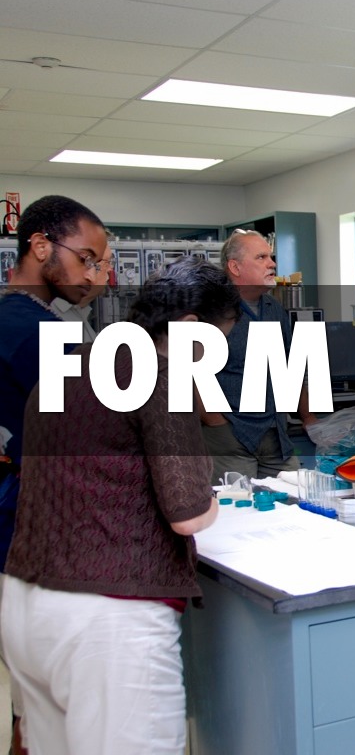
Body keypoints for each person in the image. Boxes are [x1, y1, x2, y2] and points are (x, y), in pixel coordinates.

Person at [0, 256, 239, 755]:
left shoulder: (70, 363)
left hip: (25, 603)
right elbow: (189, 514)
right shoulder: (162, 374)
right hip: (108, 621)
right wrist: (217, 500)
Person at [0, 194, 109, 755]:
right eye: (86, 259)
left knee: (31, 701)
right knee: (50, 706)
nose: (93, 276)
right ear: (40, 246)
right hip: (38, 534)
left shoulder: (20, 319)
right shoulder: (37, 332)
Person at [200, 229, 317, 480]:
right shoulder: (209, 310)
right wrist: (215, 423)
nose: (272, 264)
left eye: (271, 257)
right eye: (261, 257)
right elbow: (191, 374)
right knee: (238, 502)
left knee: (296, 494)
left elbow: (291, 366)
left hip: (276, 434)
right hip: (231, 437)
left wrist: (307, 416)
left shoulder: (273, 308)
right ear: (235, 267)